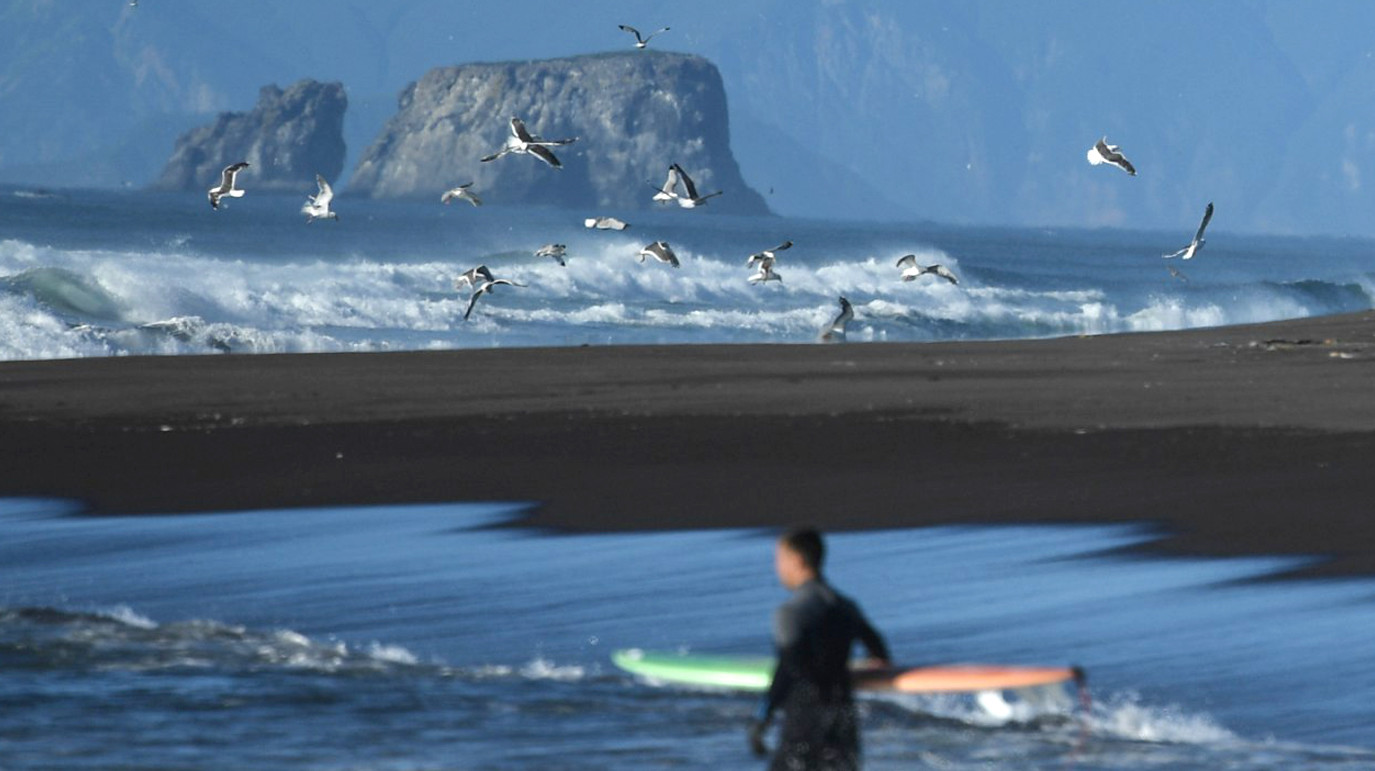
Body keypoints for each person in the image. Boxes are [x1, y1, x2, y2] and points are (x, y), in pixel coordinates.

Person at [749, 527, 891, 770]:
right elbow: (879, 651)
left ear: (797, 560)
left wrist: (763, 717)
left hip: (805, 721)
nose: (777, 568)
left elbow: (788, 669)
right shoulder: (845, 605)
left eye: (779, 559)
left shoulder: (791, 613)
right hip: (843, 721)